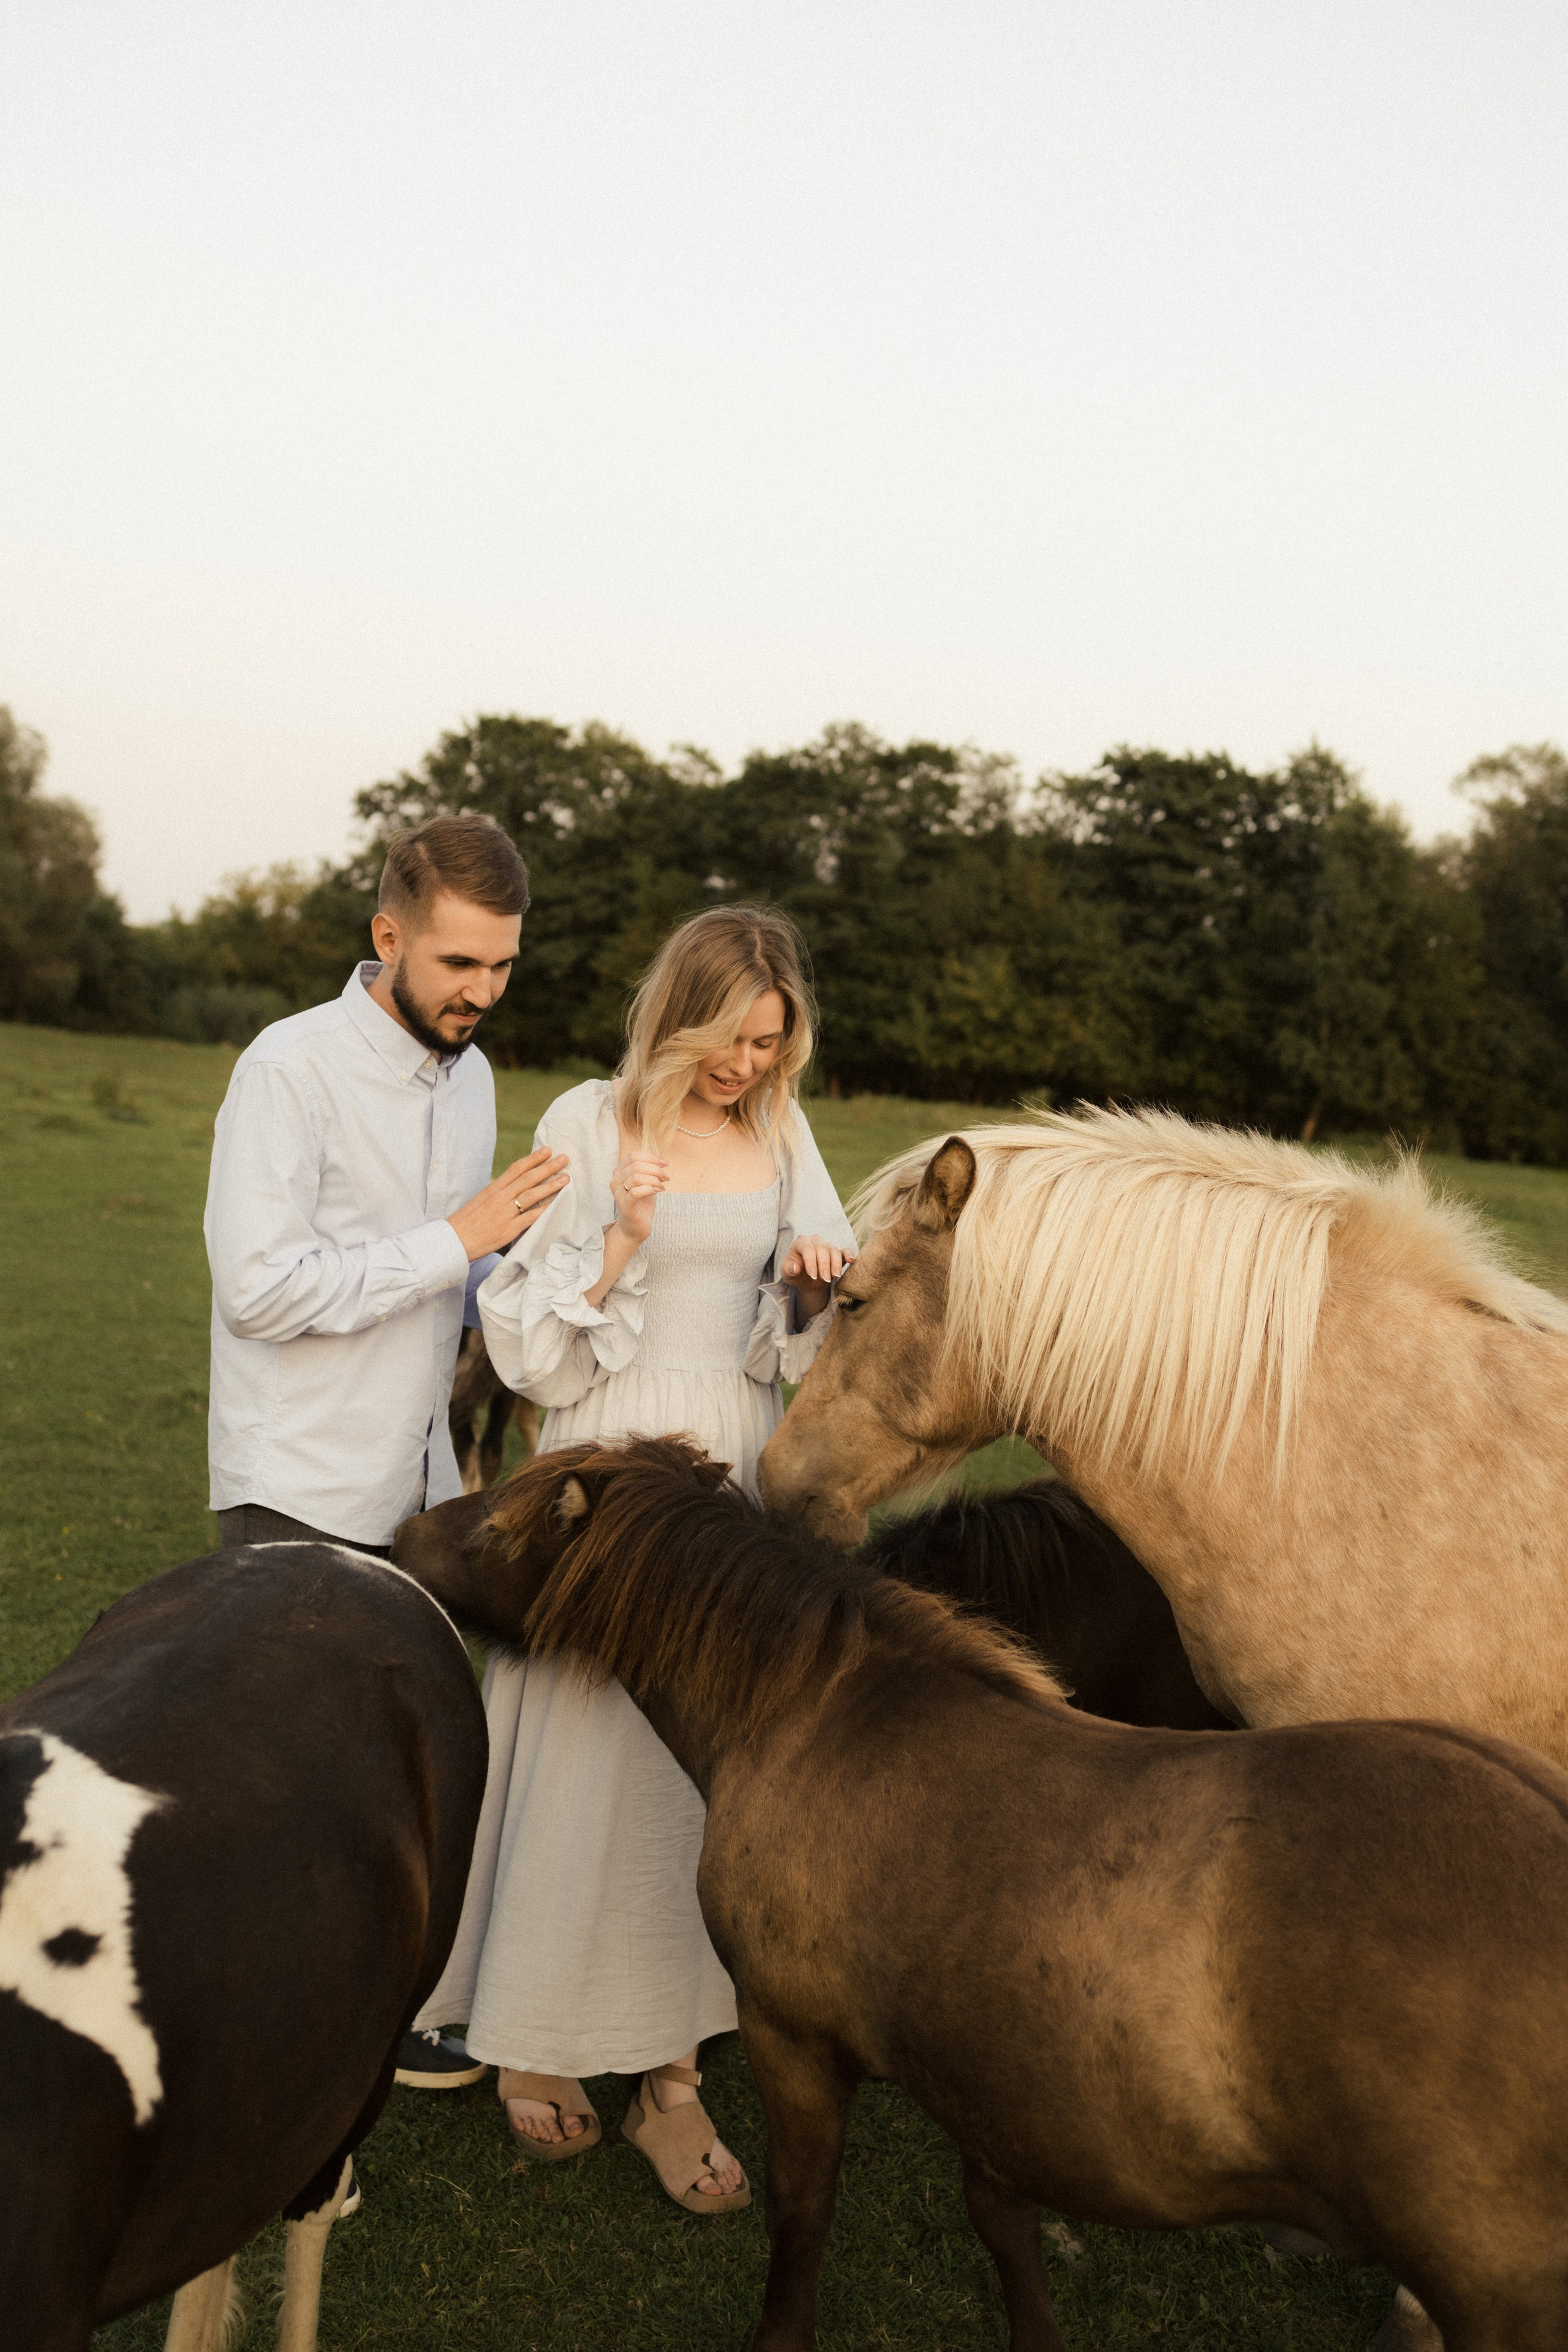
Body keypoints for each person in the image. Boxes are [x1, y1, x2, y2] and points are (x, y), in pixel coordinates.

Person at [413, 903, 856, 2209]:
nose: (747, 1067)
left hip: (733, 1464)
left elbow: (803, 1328)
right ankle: (539, 2037)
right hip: (608, 1456)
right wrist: (617, 1245)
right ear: (677, 1016)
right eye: (730, 1043)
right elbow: (524, 1346)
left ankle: (673, 2073)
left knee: (702, 1767)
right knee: (584, 1746)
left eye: (769, 1045)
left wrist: (811, 1283)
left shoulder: (782, 1129)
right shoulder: (586, 1123)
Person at [203, 810, 569, 2091]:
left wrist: (548, 1276)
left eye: (502, 966)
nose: (482, 993)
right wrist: (457, 1239)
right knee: (278, 1782)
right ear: (387, 935)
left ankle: (376, 2016)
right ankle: (250, 2053)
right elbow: (259, 1289)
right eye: (459, 964)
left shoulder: (470, 1077)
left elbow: (450, 1283)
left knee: (386, 1774)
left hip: (420, 1485)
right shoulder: (288, 1068)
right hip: (298, 1480)